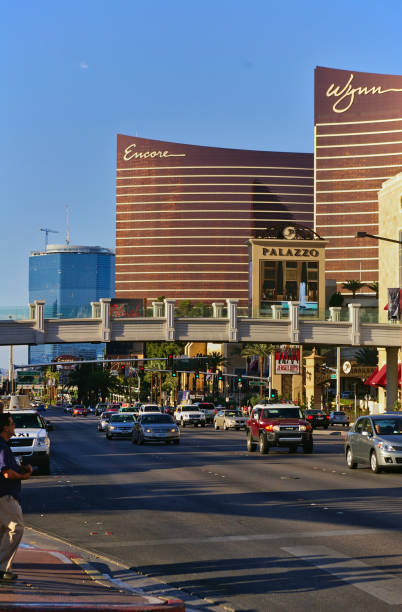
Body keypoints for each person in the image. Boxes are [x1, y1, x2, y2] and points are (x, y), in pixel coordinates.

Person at [0, 413, 32, 581]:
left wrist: (21, 469)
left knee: (3, 530)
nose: (14, 427)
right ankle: (2, 567)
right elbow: (6, 473)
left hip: (5, 494)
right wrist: (23, 477)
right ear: (5, 427)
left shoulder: (5, 445)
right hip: (5, 494)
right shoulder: (2, 446)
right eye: (12, 424)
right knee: (16, 528)